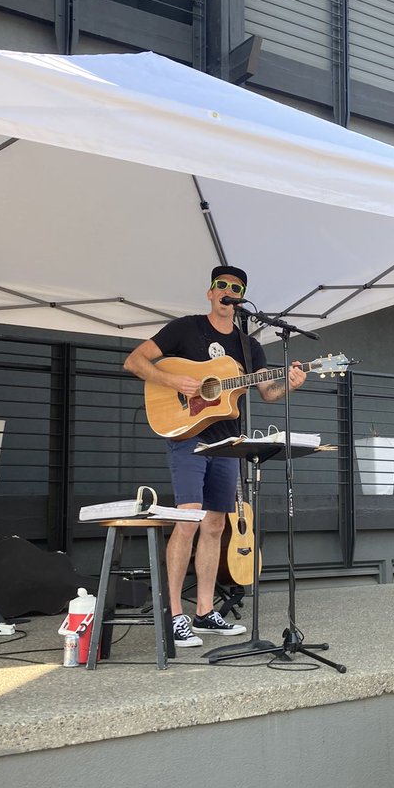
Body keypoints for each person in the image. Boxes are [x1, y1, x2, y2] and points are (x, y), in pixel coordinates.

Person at [124, 266, 307, 646]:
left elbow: (268, 394)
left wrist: (289, 383)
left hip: (226, 441)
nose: (228, 291)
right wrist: (174, 380)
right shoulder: (185, 329)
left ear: (241, 298)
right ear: (210, 293)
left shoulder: (248, 346)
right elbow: (135, 362)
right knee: (188, 520)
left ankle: (205, 612)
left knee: (215, 525)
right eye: (221, 285)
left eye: (236, 288)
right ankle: (174, 615)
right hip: (187, 436)